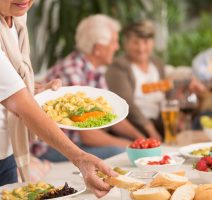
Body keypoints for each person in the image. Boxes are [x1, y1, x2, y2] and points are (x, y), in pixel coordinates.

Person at [0, 1, 116, 197]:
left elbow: (9, 84)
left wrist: (34, 89)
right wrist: (79, 158)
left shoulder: (15, 19)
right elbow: (21, 105)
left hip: (6, 150)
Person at [34, 15, 145, 162]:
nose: (117, 47)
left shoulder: (95, 70)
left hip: (76, 142)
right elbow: (88, 135)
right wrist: (131, 145)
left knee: (124, 147)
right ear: (98, 49)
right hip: (52, 147)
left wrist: (141, 139)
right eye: (114, 42)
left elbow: (112, 113)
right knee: (118, 151)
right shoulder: (71, 72)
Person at [106, 20, 164, 140]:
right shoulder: (118, 66)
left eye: (146, 42)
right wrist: (151, 130)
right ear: (125, 44)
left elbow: (166, 93)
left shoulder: (157, 64)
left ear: (152, 43)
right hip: (136, 126)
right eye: (135, 42)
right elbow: (127, 103)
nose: (141, 48)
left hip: (160, 121)